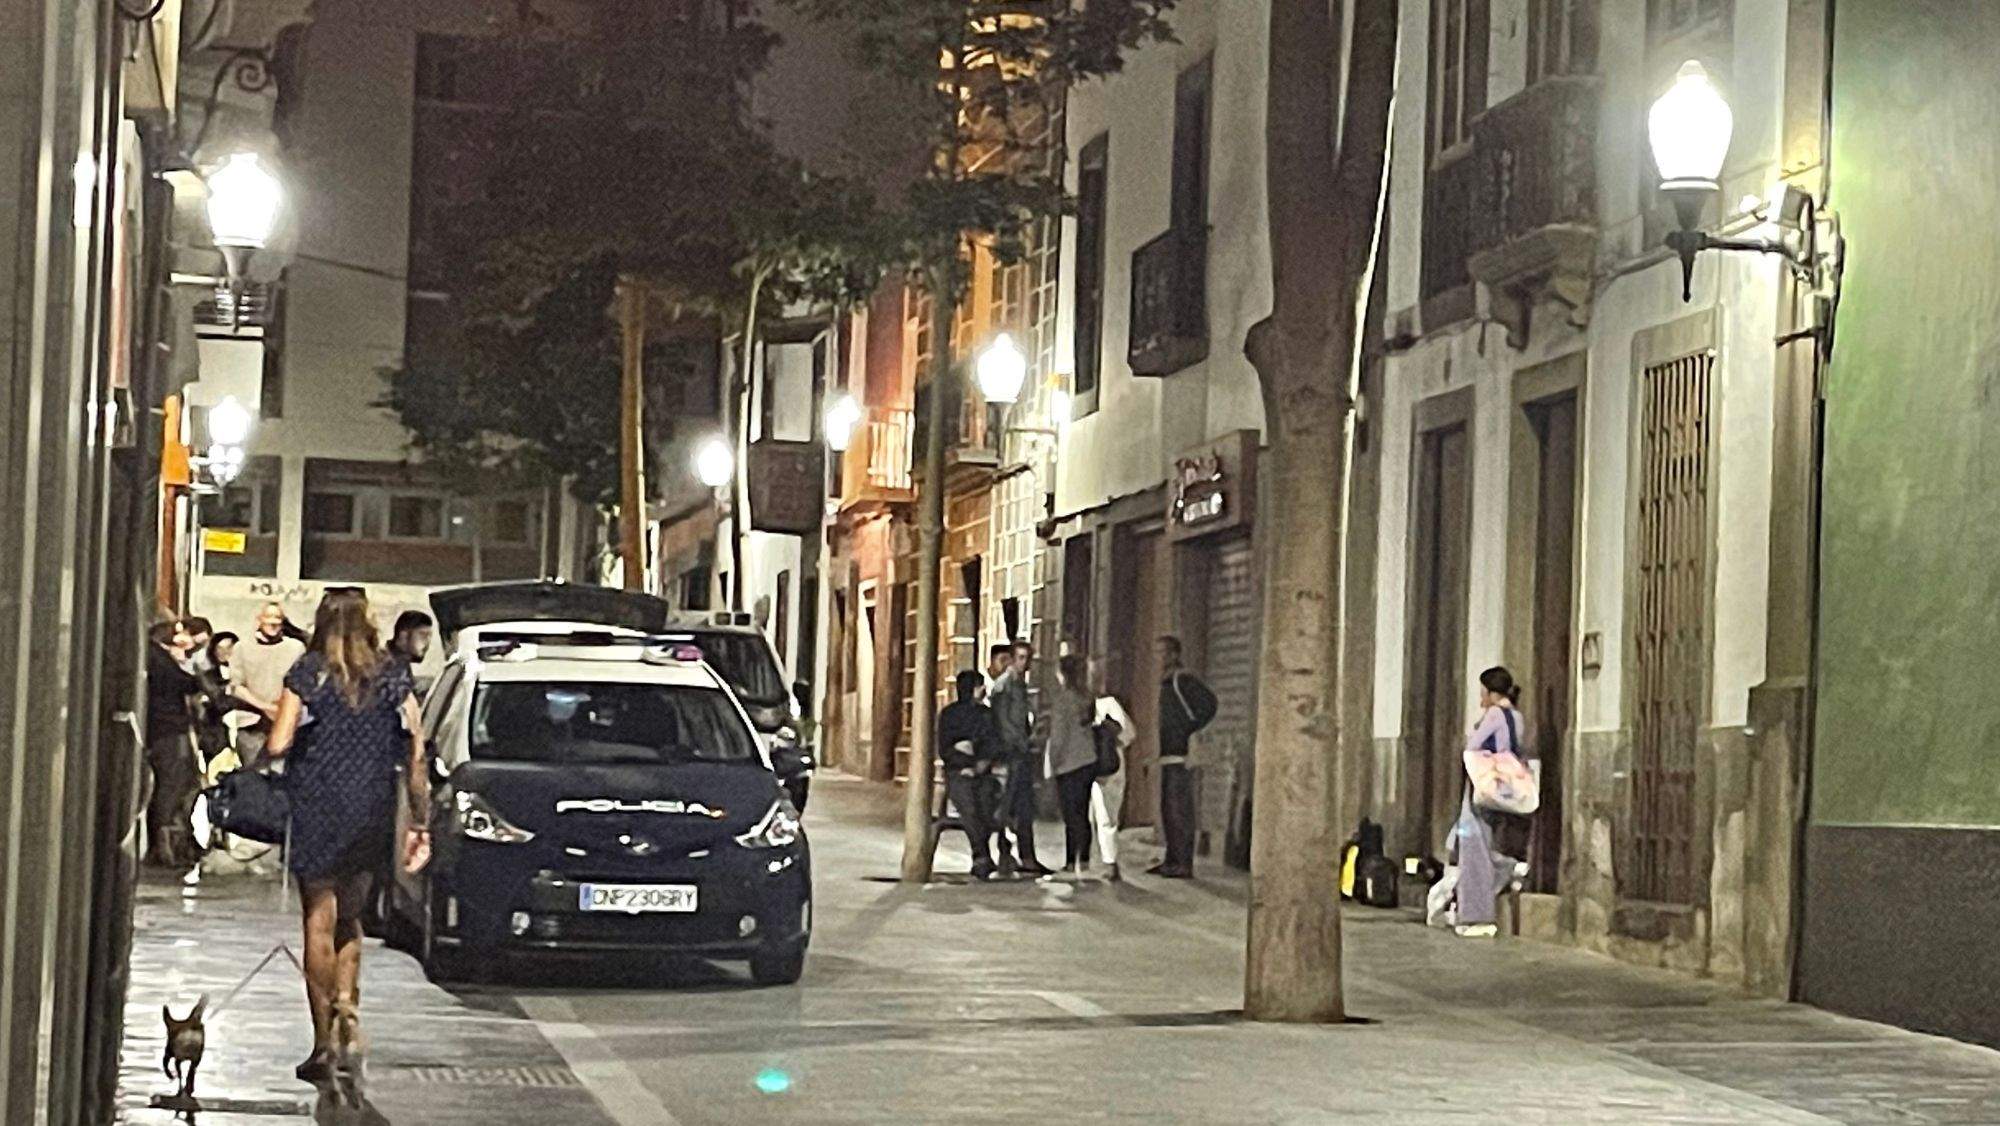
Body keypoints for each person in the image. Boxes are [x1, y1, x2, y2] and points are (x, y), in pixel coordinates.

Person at [264, 589, 426, 1082]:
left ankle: (322, 1044)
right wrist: (419, 820)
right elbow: (416, 752)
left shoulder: (307, 672)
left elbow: (279, 741)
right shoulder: (392, 675)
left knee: (317, 921)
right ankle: (347, 1011)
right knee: (350, 920)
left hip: (317, 805)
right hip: (371, 808)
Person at [1452, 666, 1534, 938]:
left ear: (1490, 692)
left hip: (1486, 785)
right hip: (1505, 788)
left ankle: (1476, 916)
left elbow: (1473, 746)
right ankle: (1511, 868)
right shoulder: (1517, 717)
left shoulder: (1495, 715)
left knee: (1473, 846)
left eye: (1482, 692)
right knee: (1480, 843)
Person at [1154, 635, 1217, 879]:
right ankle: (1171, 859)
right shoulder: (1167, 682)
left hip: (1181, 755)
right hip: (1169, 754)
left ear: (1174, 655)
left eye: (1163, 652)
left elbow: (1209, 704)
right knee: (1168, 808)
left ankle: (1182, 862)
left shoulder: (1183, 680)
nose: (1158, 658)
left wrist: (1189, 728)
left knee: (1179, 809)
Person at [987, 641, 1052, 876]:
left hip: (1021, 752)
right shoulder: (1004, 686)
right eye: (1021, 658)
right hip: (1011, 754)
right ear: (1012, 659)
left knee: (1023, 807)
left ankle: (1027, 856)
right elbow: (1003, 722)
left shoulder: (1018, 686)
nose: (1025, 664)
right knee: (1007, 807)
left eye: (1028, 659)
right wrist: (1018, 744)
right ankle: (1007, 854)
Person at [144, 619, 202, 866]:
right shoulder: (159, 658)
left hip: (157, 729)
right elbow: (186, 683)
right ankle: (165, 843)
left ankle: (163, 840)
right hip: (170, 729)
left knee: (165, 786)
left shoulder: (152, 655)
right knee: (172, 785)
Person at [936, 669, 1003, 879]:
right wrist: (964, 763)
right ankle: (981, 855)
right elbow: (945, 748)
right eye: (979, 685)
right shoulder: (949, 715)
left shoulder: (986, 714)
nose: (983, 689)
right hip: (958, 772)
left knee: (986, 803)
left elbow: (993, 743)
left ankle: (981, 856)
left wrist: (979, 765)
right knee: (968, 806)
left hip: (983, 772)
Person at [233, 602, 307, 768]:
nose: (273, 622)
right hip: (252, 724)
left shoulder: (295, 648)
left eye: (278, 618)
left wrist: (283, 710)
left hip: (286, 721)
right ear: (259, 620)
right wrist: (264, 706)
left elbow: (301, 685)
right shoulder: (242, 648)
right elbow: (236, 686)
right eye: (269, 617)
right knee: (254, 775)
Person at [1045, 655, 1100, 875]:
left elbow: (1059, 735)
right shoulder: (1087, 697)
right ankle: (1084, 859)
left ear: (1062, 674)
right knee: (1083, 811)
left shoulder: (1063, 700)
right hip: (1087, 759)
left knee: (1070, 814)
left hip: (1068, 762)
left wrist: (1053, 762)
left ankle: (1070, 860)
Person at [1089, 660, 1138, 882]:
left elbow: (1128, 734)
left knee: (1106, 814)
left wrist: (1107, 741)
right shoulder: (1080, 704)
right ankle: (1097, 859)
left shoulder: (1109, 705)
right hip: (1088, 765)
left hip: (1108, 765)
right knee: (1094, 815)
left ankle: (1110, 861)